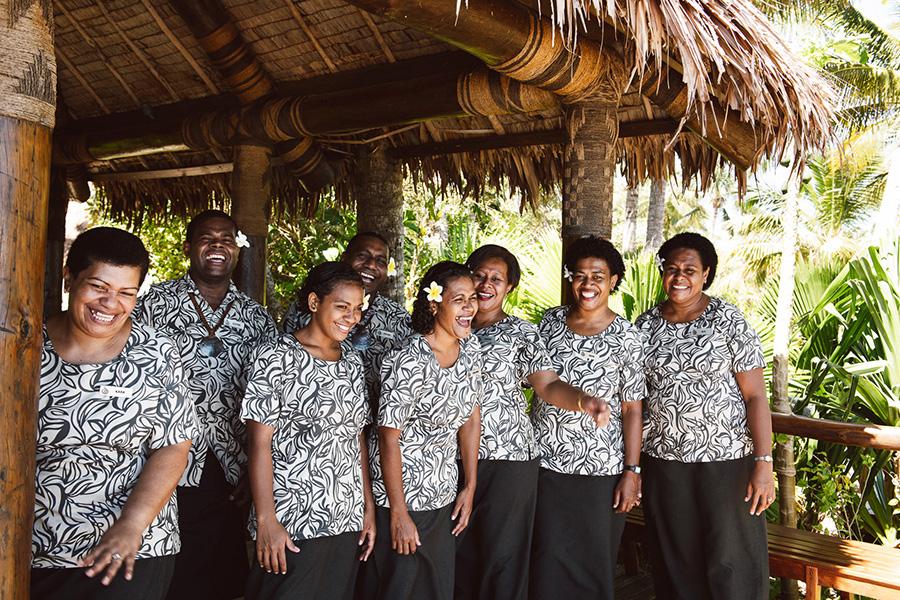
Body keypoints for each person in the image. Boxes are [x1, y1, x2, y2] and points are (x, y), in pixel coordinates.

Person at [31, 227, 197, 600]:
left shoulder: (156, 352)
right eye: (98, 287)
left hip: (134, 550)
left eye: (126, 293)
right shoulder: (25, 346)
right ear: (69, 277)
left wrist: (131, 526)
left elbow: (174, 446)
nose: (110, 303)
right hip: (35, 548)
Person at [132, 210, 278, 600]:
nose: (217, 246)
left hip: (232, 465)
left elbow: (272, 399)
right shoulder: (153, 305)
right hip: (166, 459)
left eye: (227, 239)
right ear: (187, 247)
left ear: (237, 250)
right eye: (206, 238)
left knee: (223, 572)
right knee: (173, 572)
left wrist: (254, 472)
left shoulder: (256, 318)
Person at [455, 245, 610, 600]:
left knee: (502, 558)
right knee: (459, 552)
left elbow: (548, 385)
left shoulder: (521, 333)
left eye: (497, 279)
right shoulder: (447, 327)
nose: (486, 284)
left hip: (507, 459)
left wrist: (584, 401)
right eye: (479, 276)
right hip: (450, 458)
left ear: (509, 287)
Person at [635, 232, 774, 600]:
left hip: (726, 463)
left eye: (690, 270)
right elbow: (634, 399)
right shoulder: (645, 326)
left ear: (706, 273)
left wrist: (764, 463)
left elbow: (756, 396)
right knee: (676, 562)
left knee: (732, 562)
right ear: (662, 272)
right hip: (663, 462)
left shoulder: (728, 320)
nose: (679, 277)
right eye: (672, 268)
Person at [241, 262, 377, 600]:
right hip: (292, 519)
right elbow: (259, 443)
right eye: (342, 306)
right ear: (315, 302)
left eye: (357, 308)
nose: (352, 317)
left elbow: (356, 439)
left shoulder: (351, 362)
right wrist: (266, 520)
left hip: (345, 518)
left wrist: (367, 508)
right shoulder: (276, 356)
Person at [529, 236, 645, 600]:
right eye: (580, 275)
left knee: (593, 563)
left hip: (601, 468)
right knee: (546, 559)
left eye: (598, 276)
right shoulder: (550, 322)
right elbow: (540, 382)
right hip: (545, 462)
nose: (588, 283)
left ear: (613, 280)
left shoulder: (628, 337)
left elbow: (632, 409)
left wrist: (632, 471)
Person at [363, 261, 482, 600]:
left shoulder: (471, 350)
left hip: (442, 495)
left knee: (436, 588)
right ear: (434, 304)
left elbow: (471, 420)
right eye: (459, 300)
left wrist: (470, 485)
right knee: (401, 588)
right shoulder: (408, 360)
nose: (469, 307)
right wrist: (398, 513)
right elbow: (388, 437)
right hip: (401, 498)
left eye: (472, 298)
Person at [281, 232, 412, 404]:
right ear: (345, 258)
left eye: (381, 261)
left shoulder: (399, 319)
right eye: (362, 256)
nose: (371, 265)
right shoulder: (304, 310)